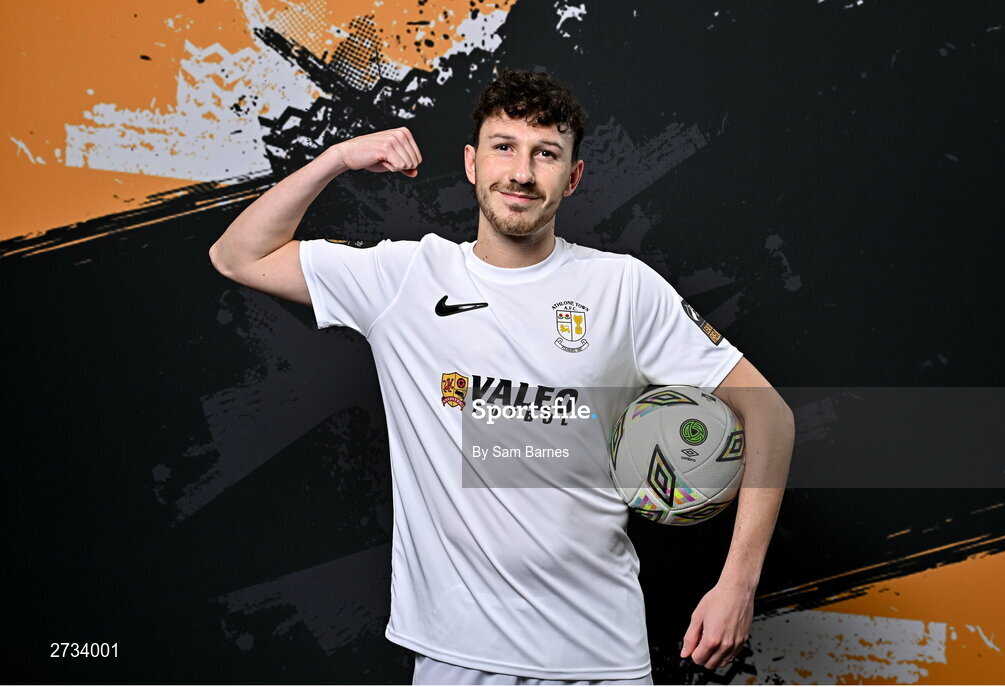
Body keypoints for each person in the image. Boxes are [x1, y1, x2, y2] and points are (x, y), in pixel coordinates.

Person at [209, 68, 794, 685]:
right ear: (471, 162)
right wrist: (337, 158)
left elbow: (771, 415)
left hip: (600, 657)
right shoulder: (405, 279)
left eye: (545, 154)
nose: (521, 172)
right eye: (504, 147)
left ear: (572, 178)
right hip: (457, 657)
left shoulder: (623, 287)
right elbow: (236, 254)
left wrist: (738, 584)